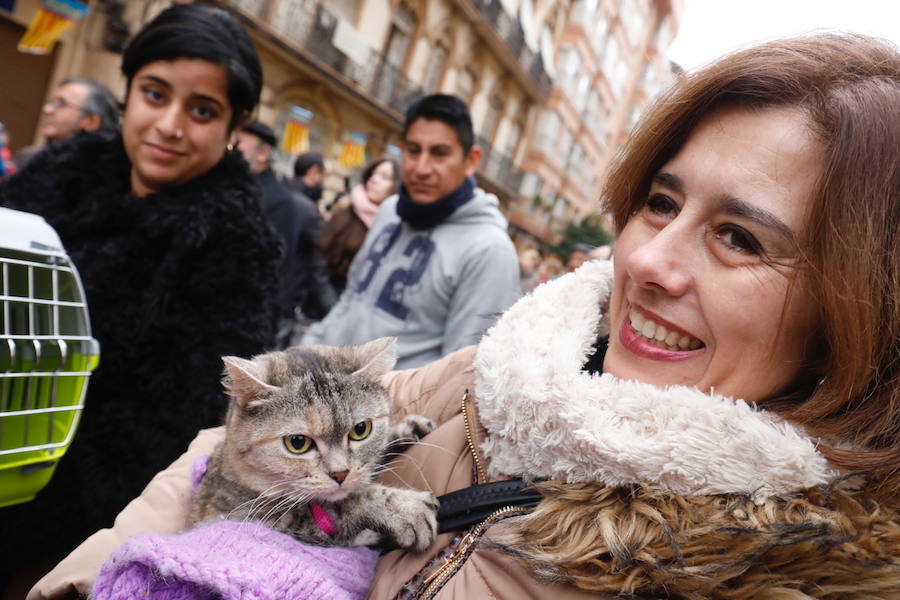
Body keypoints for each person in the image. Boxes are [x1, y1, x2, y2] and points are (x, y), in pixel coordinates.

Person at [27, 32, 900, 600]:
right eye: (660, 202)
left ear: (858, 308)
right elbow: (218, 453)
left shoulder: (795, 570)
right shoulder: (507, 367)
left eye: (740, 238)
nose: (646, 260)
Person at [0, 4, 281, 595]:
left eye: (202, 110)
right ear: (128, 93)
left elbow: (176, 428)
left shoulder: (234, 247)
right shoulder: (57, 174)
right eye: (155, 95)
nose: (170, 125)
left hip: (66, 528)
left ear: (235, 126)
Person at [303, 94, 521, 369]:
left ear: (471, 160)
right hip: (321, 389)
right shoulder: (390, 210)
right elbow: (352, 298)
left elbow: (458, 375)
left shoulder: (490, 251)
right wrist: (304, 354)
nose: (421, 168)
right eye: (413, 150)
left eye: (440, 153)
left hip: (382, 409)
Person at [233, 119, 303, 341]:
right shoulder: (229, 186)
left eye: (237, 145)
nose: (230, 150)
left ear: (262, 153)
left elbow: (276, 268)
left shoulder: (280, 201)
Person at [318, 157, 399, 293]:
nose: (374, 179)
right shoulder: (345, 210)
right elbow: (319, 260)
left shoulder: (396, 227)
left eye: (384, 177)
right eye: (373, 173)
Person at [284, 151, 338, 334]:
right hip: (288, 294)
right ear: (314, 172)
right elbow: (323, 249)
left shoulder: (281, 193)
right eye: (325, 177)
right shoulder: (307, 209)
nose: (325, 183)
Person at [14, 77, 120, 171]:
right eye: (51, 103)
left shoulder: (103, 176)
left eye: (61, 103)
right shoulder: (28, 160)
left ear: (90, 121)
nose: (47, 110)